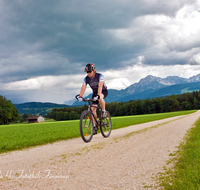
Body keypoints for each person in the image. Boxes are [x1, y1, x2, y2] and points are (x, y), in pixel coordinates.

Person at [78, 63, 108, 134]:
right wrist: (80, 96)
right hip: (94, 93)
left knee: (100, 97)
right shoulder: (86, 79)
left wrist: (98, 95)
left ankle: (103, 111)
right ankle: (95, 126)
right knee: (92, 109)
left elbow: (100, 86)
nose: (88, 73)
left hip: (103, 91)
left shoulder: (100, 76)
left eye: (90, 71)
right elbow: (83, 87)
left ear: (94, 70)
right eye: (87, 72)